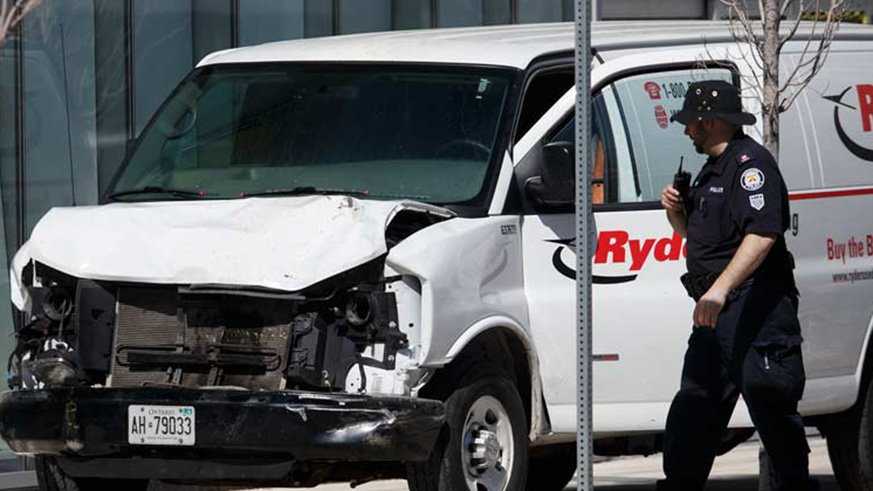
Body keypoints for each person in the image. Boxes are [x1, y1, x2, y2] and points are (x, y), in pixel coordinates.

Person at [657, 80, 814, 491]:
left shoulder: (750, 167)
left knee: (776, 422)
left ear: (710, 121)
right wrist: (676, 213)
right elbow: (697, 237)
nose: (686, 130)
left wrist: (719, 290)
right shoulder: (712, 170)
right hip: (715, 318)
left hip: (755, 314)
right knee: (690, 421)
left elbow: (762, 235)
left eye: (691, 122)